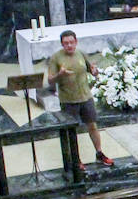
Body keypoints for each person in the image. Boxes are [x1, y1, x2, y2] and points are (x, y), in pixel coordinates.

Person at [45, 29, 111, 167]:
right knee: (72, 130)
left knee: (92, 125)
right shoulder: (56, 58)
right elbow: (50, 81)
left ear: (76, 42)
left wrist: (94, 71)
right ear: (62, 44)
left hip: (85, 97)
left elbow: (91, 69)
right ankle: (75, 159)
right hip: (68, 100)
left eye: (71, 42)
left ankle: (99, 153)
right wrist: (60, 75)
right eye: (66, 43)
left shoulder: (81, 54)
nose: (69, 45)